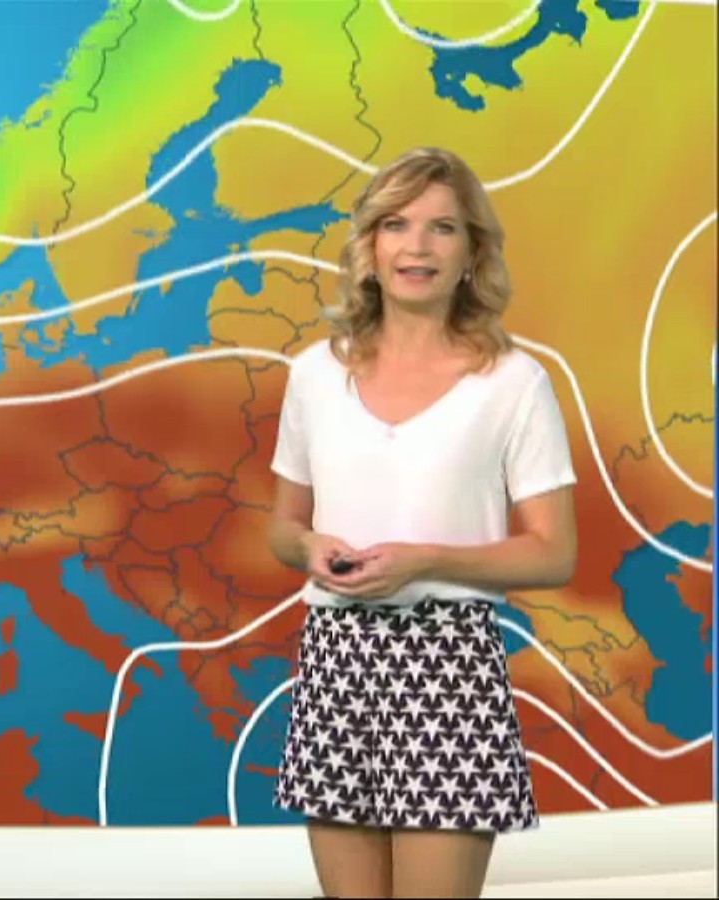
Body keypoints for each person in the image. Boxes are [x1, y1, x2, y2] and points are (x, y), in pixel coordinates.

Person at [264, 146, 579, 899]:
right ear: (370, 247)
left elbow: (553, 553)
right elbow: (283, 526)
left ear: (472, 253)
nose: (418, 246)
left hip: (450, 665)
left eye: (443, 227)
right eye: (397, 224)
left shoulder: (513, 384)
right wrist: (310, 547)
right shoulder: (314, 376)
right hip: (337, 660)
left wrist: (424, 561)